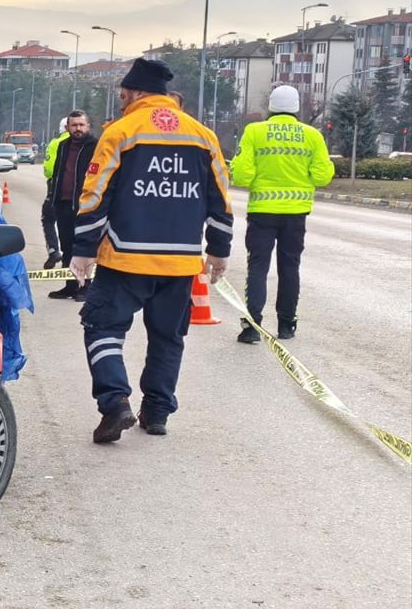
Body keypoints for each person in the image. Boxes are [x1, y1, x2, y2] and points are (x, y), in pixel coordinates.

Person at [70, 58, 233, 443]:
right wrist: (219, 250)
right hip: (180, 261)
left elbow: (95, 195)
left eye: (123, 94)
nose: (122, 101)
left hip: (125, 257)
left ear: (136, 92)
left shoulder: (122, 131)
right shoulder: (202, 135)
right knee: (167, 337)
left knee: (102, 327)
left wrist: (83, 249)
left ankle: (115, 402)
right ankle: (156, 412)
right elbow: (221, 197)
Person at [229, 85, 334, 343]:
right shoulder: (312, 135)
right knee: (290, 268)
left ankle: (251, 326)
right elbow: (322, 176)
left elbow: (241, 175)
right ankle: (287, 325)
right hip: (296, 214)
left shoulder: (254, 132)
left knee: (258, 268)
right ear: (297, 107)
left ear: (271, 106)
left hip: (262, 212)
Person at [46, 110, 98, 301]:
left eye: (81, 125)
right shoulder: (63, 146)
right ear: (67, 127)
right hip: (64, 204)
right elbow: (59, 173)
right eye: (74, 125)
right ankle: (70, 285)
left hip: (86, 206)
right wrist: (53, 198)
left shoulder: (96, 146)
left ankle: (86, 287)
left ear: (88, 126)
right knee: (67, 246)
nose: (77, 129)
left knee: (85, 247)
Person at [39, 118, 70, 268]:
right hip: (81, 192)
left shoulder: (55, 143)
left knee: (48, 219)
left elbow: (49, 170)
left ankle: (53, 250)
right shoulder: (86, 143)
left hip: (56, 190)